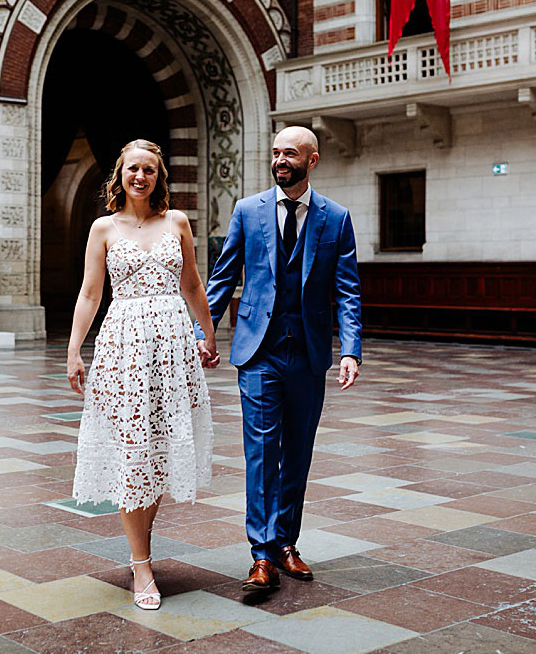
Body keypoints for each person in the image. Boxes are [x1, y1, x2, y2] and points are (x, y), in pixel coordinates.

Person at [197, 125, 362, 591]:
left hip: (308, 354)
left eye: (289, 153)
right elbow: (222, 278)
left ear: (312, 160)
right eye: (275, 153)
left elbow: (348, 292)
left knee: (298, 453)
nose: (279, 160)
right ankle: (262, 553)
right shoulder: (248, 211)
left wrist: (350, 349)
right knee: (263, 452)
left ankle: (287, 543)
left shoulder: (336, 218)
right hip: (259, 351)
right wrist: (202, 333)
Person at [68, 138, 219, 611]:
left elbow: (192, 282)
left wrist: (210, 336)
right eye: (133, 169)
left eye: (149, 170)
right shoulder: (103, 228)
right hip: (124, 347)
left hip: (173, 347)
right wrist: (74, 350)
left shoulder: (176, 221)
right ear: (120, 174)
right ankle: (141, 564)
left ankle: (143, 546)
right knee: (134, 449)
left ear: (159, 177)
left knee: (159, 450)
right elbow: (91, 293)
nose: (140, 176)